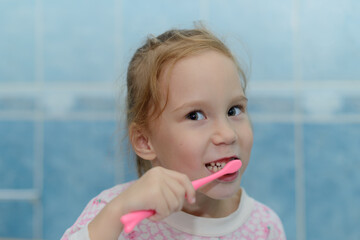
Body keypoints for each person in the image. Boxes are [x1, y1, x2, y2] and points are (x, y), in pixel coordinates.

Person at [61, 26, 286, 240]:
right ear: (144, 141)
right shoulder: (116, 214)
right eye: (195, 115)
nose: (228, 134)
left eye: (234, 110)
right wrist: (116, 212)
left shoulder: (264, 227)